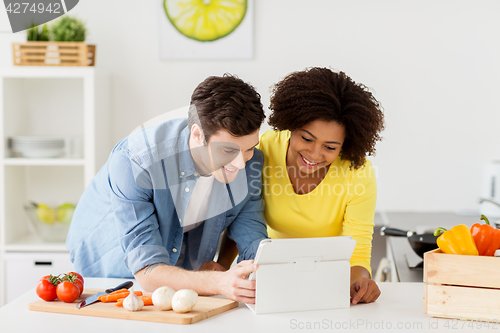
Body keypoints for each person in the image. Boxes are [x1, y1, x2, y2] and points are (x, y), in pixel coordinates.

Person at [66, 74, 268, 304]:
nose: (241, 164)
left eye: (249, 148)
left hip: (177, 269)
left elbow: (253, 239)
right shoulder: (135, 161)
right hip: (110, 266)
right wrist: (218, 282)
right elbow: (148, 272)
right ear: (197, 134)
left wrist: (260, 272)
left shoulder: (251, 163)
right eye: (228, 152)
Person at [218, 67, 385, 304]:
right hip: (269, 273)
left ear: (344, 145)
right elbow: (242, 218)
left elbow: (357, 250)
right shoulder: (265, 150)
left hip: (328, 280)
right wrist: (221, 267)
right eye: (306, 138)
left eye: (330, 147)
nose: (314, 154)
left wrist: (360, 283)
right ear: (291, 125)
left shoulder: (357, 173)